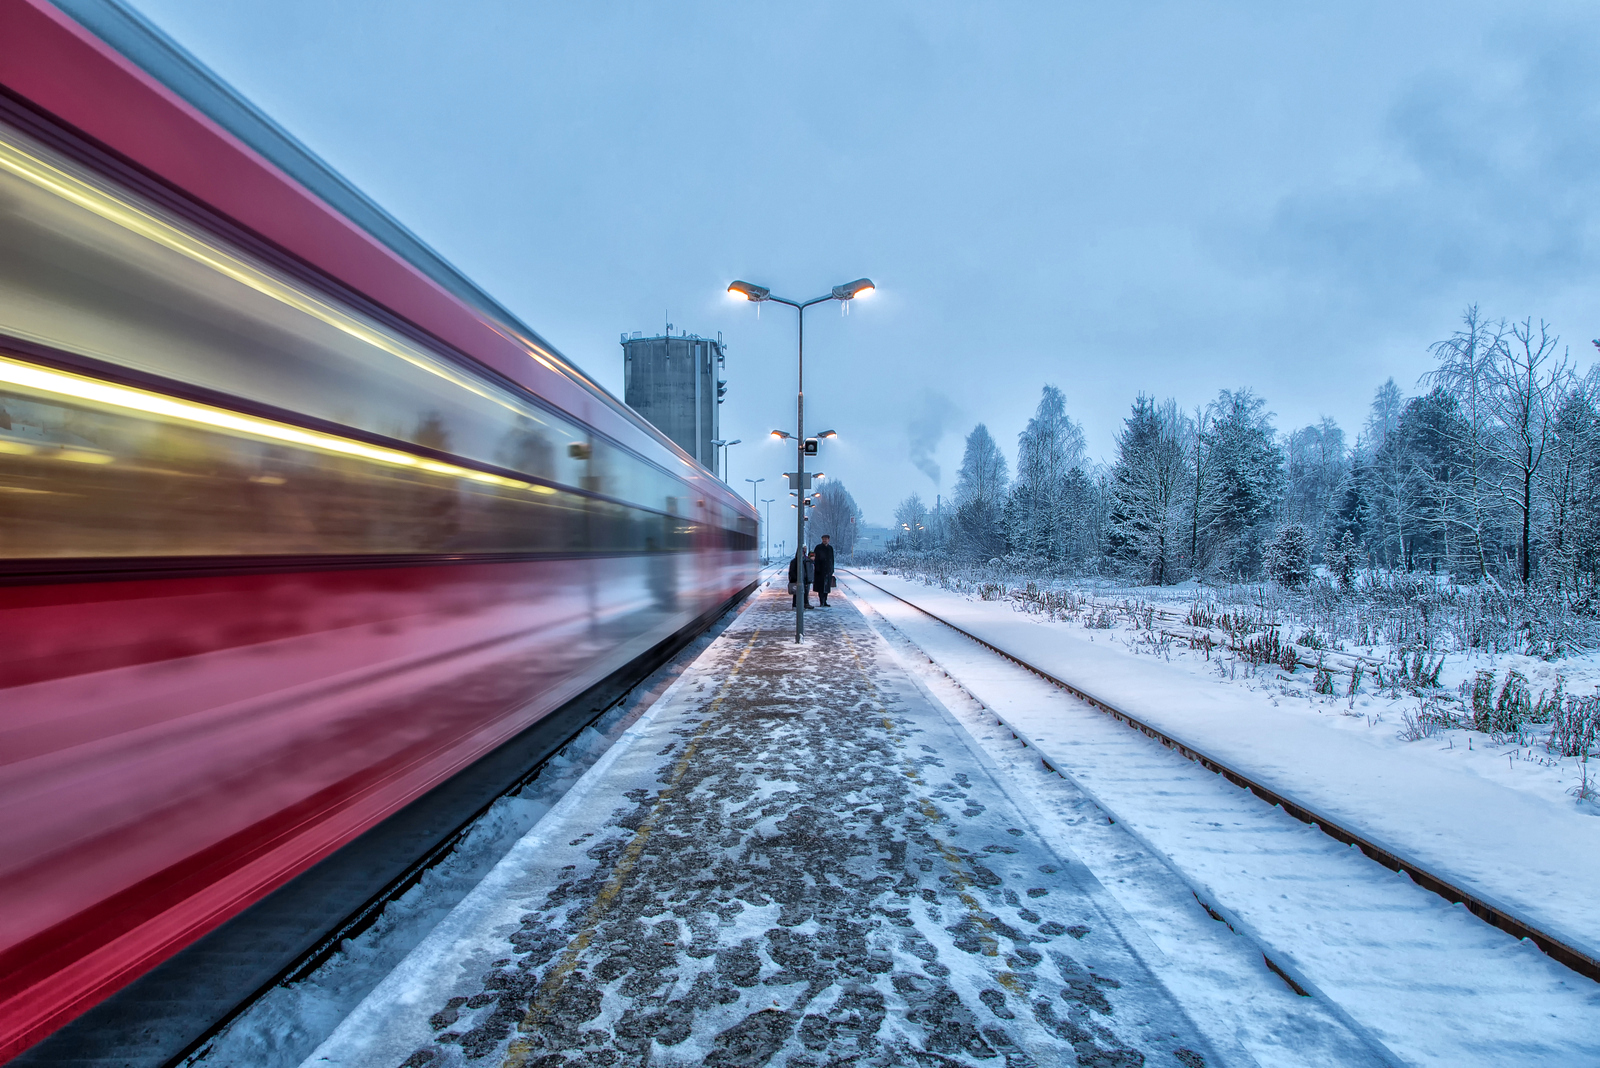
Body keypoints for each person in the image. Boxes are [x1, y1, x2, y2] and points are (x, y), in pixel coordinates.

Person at [812, 534, 836, 606]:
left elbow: (832, 559)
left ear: (829, 540)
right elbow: (814, 558)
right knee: (820, 587)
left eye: (826, 539)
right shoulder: (818, 547)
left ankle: (825, 601)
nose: (824, 540)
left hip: (828, 571)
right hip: (820, 571)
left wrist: (832, 569)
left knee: (827, 587)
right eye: (823, 539)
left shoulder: (830, 548)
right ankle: (821, 601)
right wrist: (817, 568)